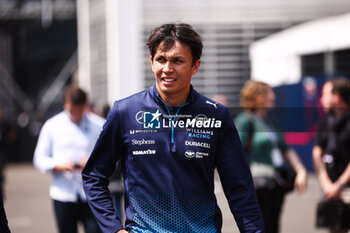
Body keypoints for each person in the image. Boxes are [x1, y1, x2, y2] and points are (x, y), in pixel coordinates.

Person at [82, 23, 264, 233]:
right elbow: (93, 176)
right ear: (151, 62)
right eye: (161, 59)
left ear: (195, 66)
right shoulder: (125, 112)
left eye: (177, 60)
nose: (167, 68)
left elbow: (240, 188)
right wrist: (114, 229)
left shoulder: (217, 116)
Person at [234, 80, 308, 233]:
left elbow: (285, 149)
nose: (273, 96)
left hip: (276, 184)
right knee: (259, 227)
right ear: (257, 96)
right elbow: (234, 154)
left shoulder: (271, 121)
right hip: (257, 186)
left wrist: (301, 170)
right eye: (269, 92)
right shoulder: (245, 121)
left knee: (273, 227)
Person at [33, 85, 104, 233]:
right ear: (65, 104)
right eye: (72, 110)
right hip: (63, 192)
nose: (75, 114)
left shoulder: (99, 125)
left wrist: (94, 162)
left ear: (85, 106)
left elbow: (111, 156)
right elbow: (39, 158)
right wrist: (57, 165)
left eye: (78, 110)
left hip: (91, 193)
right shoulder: (52, 125)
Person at [312, 78, 350, 233]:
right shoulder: (326, 123)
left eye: (324, 94)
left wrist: (339, 185)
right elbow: (317, 152)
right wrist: (326, 184)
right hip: (331, 190)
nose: (321, 100)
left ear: (337, 97)